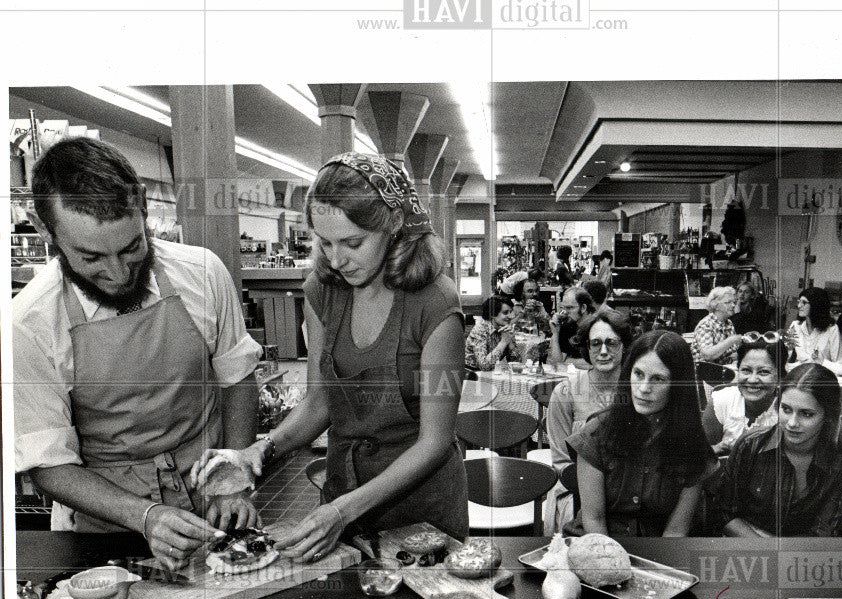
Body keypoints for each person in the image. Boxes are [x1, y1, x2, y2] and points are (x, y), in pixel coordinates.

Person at [195, 153, 469, 558]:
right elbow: (320, 401)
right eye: (325, 242)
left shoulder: (436, 305)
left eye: (353, 243)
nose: (337, 260)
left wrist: (342, 511)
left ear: (393, 224)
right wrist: (260, 450)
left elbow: (434, 440)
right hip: (344, 491)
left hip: (421, 508)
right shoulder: (323, 291)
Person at [13, 137, 261, 570]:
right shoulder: (28, 325)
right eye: (90, 256)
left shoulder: (202, 272)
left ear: (143, 206)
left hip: (213, 497)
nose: (117, 273)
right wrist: (146, 516)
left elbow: (237, 378)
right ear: (44, 229)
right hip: (105, 523)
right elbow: (47, 464)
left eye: (131, 247)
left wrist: (233, 473)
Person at [566, 331, 718, 537]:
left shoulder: (693, 445)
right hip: (596, 544)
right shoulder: (596, 433)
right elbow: (594, 520)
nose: (644, 388)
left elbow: (675, 531)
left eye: (658, 379)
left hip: (661, 551)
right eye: (638, 374)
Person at [713, 363, 842, 536]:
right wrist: (765, 548)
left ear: (827, 416)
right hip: (746, 549)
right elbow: (724, 512)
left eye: (806, 414)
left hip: (803, 557)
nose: (792, 423)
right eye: (786, 409)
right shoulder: (750, 445)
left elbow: (821, 535)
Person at [546, 308, 633, 530]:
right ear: (587, 347)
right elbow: (562, 462)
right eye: (595, 343)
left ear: (624, 345)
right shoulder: (566, 393)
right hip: (578, 493)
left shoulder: (638, 391)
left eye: (611, 343)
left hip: (632, 496)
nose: (603, 351)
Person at [702, 337, 783, 456]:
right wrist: (717, 449)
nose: (752, 380)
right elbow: (702, 454)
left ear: (780, 377)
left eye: (763, 372)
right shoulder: (721, 400)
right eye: (746, 370)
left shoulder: (788, 408)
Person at [786, 287, 842, 365]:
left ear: (816, 305)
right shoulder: (795, 326)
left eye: (804, 303)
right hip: (799, 373)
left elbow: (838, 362)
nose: (799, 306)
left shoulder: (832, 329)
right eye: (799, 302)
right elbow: (787, 355)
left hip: (821, 374)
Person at [465, 295, 522, 370]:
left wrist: (510, 342)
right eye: (505, 313)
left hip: (492, 372)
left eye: (510, 312)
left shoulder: (505, 329)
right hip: (473, 374)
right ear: (492, 315)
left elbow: (517, 363)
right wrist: (504, 342)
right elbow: (484, 366)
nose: (511, 316)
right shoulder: (480, 330)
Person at [692, 286, 741, 364]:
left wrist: (736, 355)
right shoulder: (706, 324)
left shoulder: (728, 323)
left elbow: (730, 353)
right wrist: (731, 340)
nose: (733, 305)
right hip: (707, 372)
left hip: (726, 369)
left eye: (733, 302)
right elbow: (707, 355)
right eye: (728, 302)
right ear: (716, 306)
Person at [547, 286, 595, 366]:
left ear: (583, 308)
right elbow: (556, 362)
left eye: (569, 308)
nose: (565, 312)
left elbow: (595, 363)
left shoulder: (596, 326)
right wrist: (555, 333)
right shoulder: (567, 326)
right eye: (563, 308)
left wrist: (566, 362)